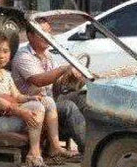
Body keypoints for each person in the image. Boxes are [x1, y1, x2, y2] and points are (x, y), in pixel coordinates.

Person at [0, 32, 76, 167]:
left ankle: (55, 147)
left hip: (6, 114)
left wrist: (31, 98)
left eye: (5, 51)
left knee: (48, 101)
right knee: (36, 108)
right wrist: (21, 112)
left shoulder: (5, 74)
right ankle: (34, 155)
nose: (2, 56)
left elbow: (17, 96)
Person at [11, 20, 86, 154]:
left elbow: (56, 83)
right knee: (68, 107)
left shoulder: (48, 55)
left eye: (49, 32)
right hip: (33, 104)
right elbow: (39, 81)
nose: (47, 36)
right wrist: (63, 69)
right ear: (30, 36)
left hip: (50, 100)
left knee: (83, 98)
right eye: (42, 33)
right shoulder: (23, 56)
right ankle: (89, 150)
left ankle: (94, 143)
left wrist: (72, 77)